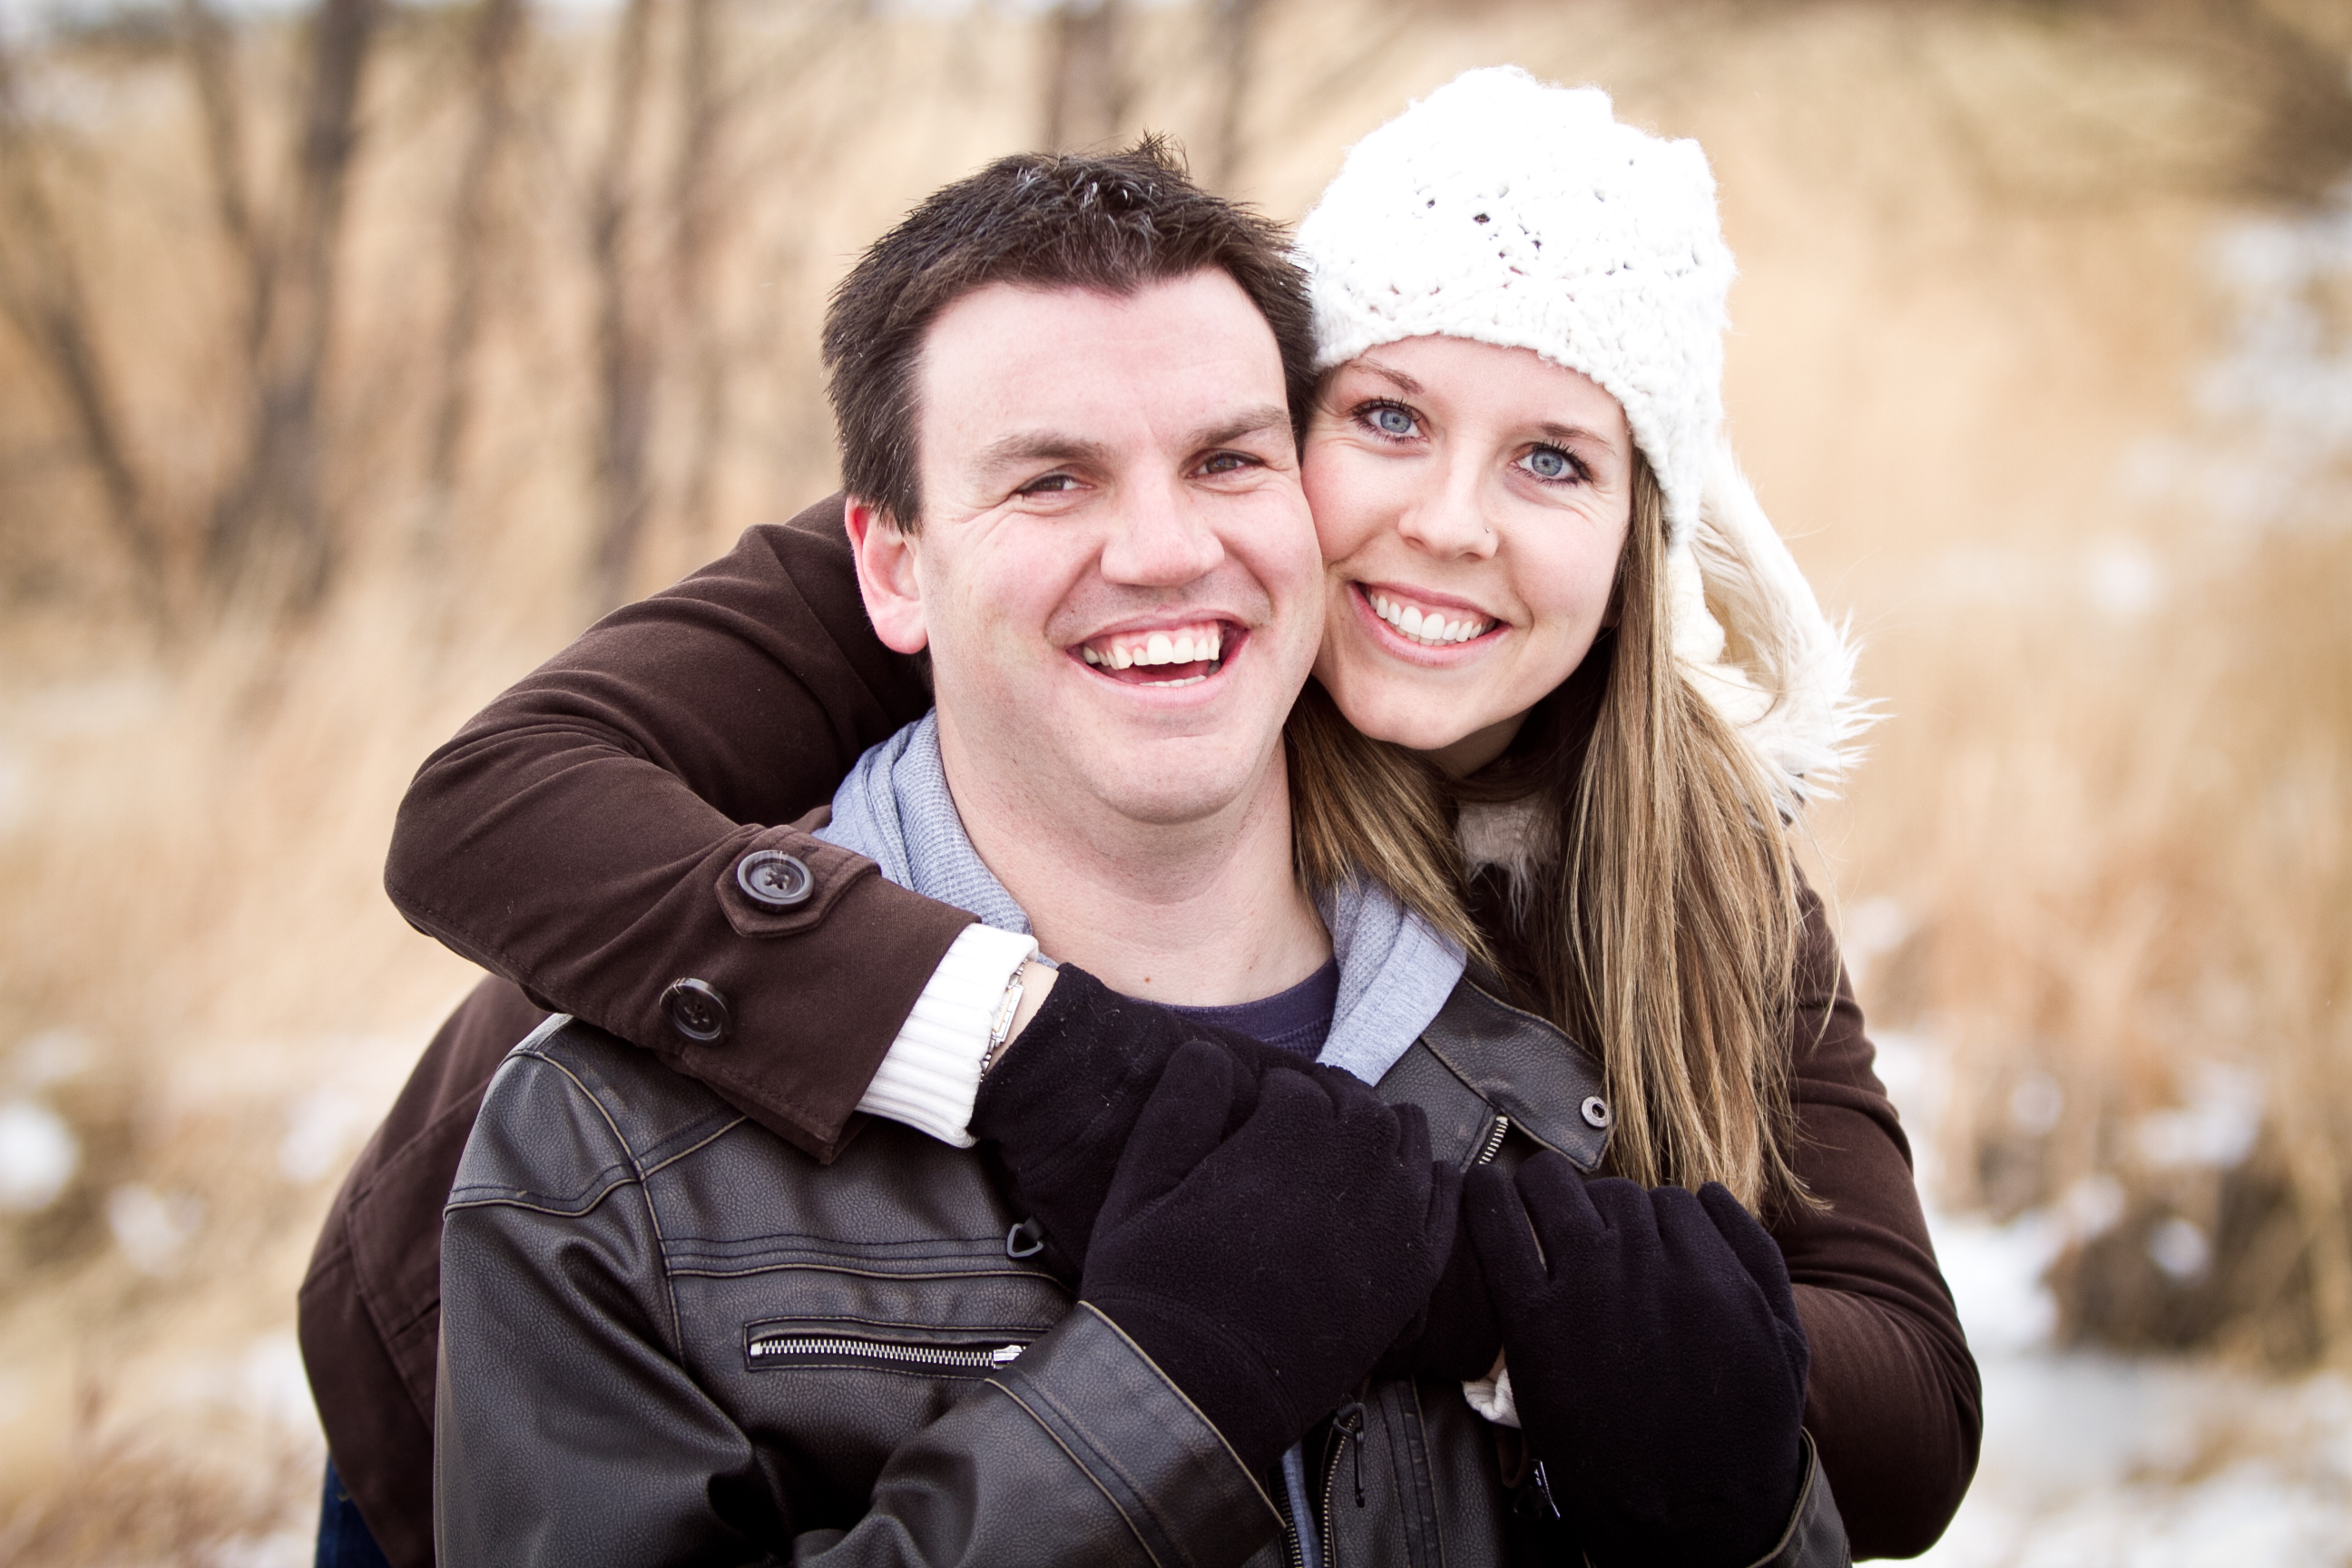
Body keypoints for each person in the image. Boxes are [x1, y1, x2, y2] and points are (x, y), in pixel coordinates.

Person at [303, 70, 1974, 1565]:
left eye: (1555, 461)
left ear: (1637, 539)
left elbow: (1901, 1416)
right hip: (439, 1396)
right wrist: (1021, 1048)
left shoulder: (1654, 867)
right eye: (1389, 419)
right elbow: (489, 808)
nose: (1451, 523)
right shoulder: (1003, 567)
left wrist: (1458, 1281)